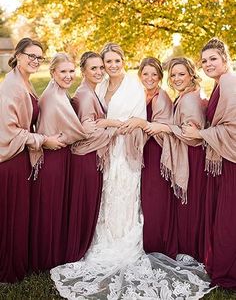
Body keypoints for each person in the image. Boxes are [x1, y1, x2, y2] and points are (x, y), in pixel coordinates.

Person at [50, 46, 212, 299]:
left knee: (125, 195)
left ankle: (125, 242)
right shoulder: (101, 86)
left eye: (116, 60)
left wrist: (108, 125)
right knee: (107, 195)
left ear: (123, 61)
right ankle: (103, 238)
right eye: (107, 62)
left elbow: (134, 125)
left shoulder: (133, 88)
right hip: (104, 151)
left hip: (126, 151)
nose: (112, 66)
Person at [0, 37, 62, 283]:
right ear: (18, 55)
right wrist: (43, 140)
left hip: (22, 157)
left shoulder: (24, 81)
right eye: (31, 55)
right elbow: (9, 130)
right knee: (12, 216)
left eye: (39, 57)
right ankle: (8, 269)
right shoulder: (11, 87)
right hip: (11, 159)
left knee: (20, 215)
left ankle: (19, 262)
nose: (35, 60)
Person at [182, 38, 236, 289]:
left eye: (213, 58)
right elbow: (217, 119)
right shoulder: (219, 84)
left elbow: (233, 129)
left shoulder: (229, 82)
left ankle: (228, 270)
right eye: (204, 61)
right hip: (220, 160)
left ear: (224, 59)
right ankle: (220, 262)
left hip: (230, 162)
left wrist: (201, 135)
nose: (208, 64)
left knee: (227, 218)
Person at [30, 53, 88, 273]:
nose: (68, 75)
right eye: (63, 71)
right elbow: (78, 132)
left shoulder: (58, 92)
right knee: (51, 208)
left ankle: (52, 253)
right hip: (53, 159)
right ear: (52, 73)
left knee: (54, 206)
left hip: (58, 156)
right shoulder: (54, 97)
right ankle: (48, 257)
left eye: (71, 71)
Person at [145, 57, 207, 262]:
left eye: (181, 74)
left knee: (189, 203)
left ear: (191, 74)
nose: (177, 78)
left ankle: (192, 248)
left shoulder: (189, 99)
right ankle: (187, 245)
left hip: (191, 155)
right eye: (173, 75)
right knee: (184, 204)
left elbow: (191, 134)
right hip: (185, 153)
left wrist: (163, 127)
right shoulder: (185, 95)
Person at [121, 57, 177, 258]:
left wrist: (139, 123)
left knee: (155, 198)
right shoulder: (139, 95)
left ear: (160, 77)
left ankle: (157, 243)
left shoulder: (161, 98)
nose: (150, 78)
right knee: (142, 197)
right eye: (146, 74)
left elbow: (162, 130)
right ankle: (145, 238)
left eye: (154, 74)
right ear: (140, 75)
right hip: (143, 151)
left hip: (156, 153)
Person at [66, 51, 119, 262]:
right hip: (86, 157)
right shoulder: (85, 95)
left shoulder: (91, 90)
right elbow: (87, 131)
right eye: (93, 68)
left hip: (90, 156)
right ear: (83, 71)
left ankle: (81, 244)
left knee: (88, 204)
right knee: (84, 204)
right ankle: (77, 248)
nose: (98, 71)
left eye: (100, 67)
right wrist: (115, 127)